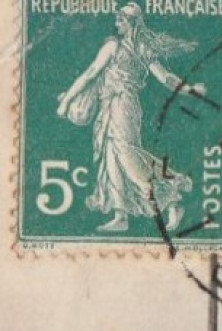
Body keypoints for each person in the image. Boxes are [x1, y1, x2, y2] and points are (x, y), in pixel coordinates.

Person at [55, 5, 201, 232]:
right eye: (117, 20)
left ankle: (172, 197)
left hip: (123, 105)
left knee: (126, 154)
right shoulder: (128, 46)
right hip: (110, 106)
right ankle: (120, 215)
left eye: (121, 21)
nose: (117, 24)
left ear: (132, 22)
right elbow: (93, 73)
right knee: (112, 156)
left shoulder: (122, 47)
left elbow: (163, 77)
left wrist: (189, 89)